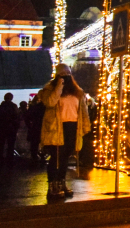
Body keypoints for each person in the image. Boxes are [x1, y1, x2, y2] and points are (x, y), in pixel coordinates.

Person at [38, 63, 91, 200]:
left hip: (72, 127)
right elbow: (50, 102)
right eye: (62, 74)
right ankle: (53, 184)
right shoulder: (50, 89)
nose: (66, 76)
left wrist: (85, 126)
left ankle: (61, 182)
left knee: (65, 157)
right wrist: (59, 86)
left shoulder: (77, 91)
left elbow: (83, 109)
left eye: (68, 74)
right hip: (57, 127)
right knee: (56, 157)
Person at [0, 93, 21, 161]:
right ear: (11, 98)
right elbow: (17, 117)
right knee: (11, 144)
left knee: (1, 143)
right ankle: (10, 158)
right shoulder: (14, 107)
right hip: (11, 128)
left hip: (2, 128)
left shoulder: (0, 107)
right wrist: (15, 127)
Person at [25, 97, 45, 163]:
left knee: (34, 143)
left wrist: (30, 126)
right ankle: (43, 156)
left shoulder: (33, 107)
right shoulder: (45, 108)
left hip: (35, 127)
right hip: (43, 127)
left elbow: (27, 118)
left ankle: (34, 157)